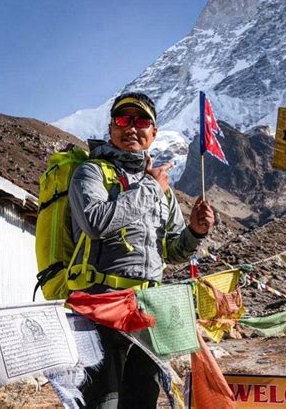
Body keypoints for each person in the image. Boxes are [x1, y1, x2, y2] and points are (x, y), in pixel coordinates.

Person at [68, 92, 214, 408]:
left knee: (142, 401)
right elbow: (95, 222)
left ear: (153, 132)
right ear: (110, 129)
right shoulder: (91, 173)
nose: (132, 128)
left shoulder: (161, 187)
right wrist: (150, 189)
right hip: (101, 308)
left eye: (141, 121)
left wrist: (195, 232)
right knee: (103, 402)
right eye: (123, 120)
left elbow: (173, 252)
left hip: (148, 311)